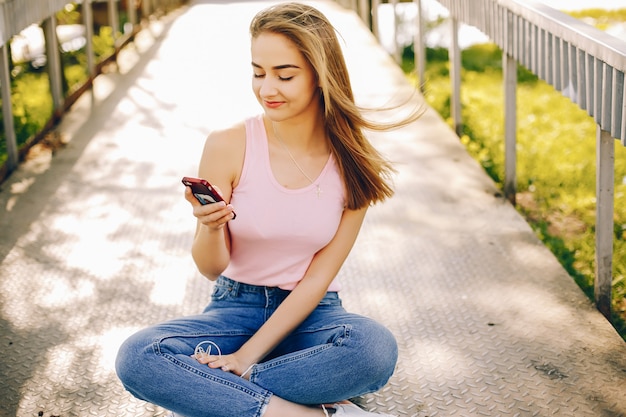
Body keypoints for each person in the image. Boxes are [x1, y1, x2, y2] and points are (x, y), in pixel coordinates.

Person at [115, 2, 421, 416]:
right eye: (258, 72)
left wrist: (244, 361)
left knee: (373, 348)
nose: (267, 89)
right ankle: (314, 411)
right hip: (234, 308)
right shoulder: (228, 144)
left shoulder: (353, 161)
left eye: (285, 74)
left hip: (311, 316)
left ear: (320, 75)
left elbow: (315, 282)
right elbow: (210, 267)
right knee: (139, 357)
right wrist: (208, 226)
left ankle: (219, 400)